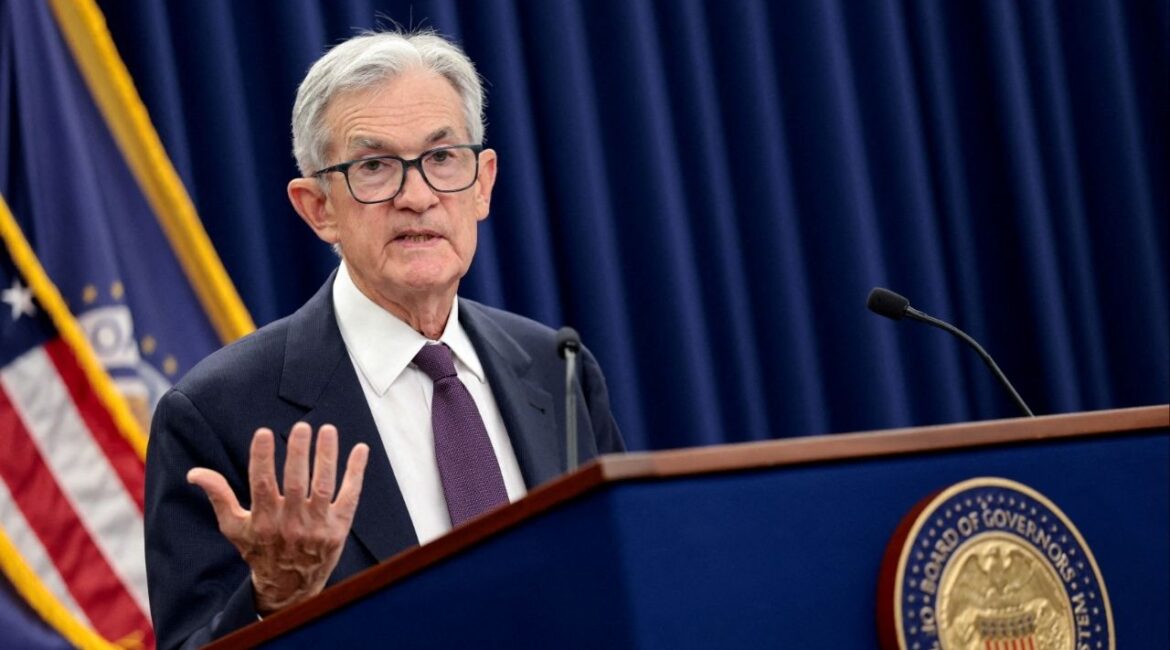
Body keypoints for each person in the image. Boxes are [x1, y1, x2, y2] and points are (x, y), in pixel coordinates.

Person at [144, 30, 624, 650]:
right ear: (318, 207)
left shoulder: (557, 369)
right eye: (374, 167)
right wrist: (277, 605)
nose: (418, 197)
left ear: (482, 181)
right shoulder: (218, 413)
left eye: (443, 158)